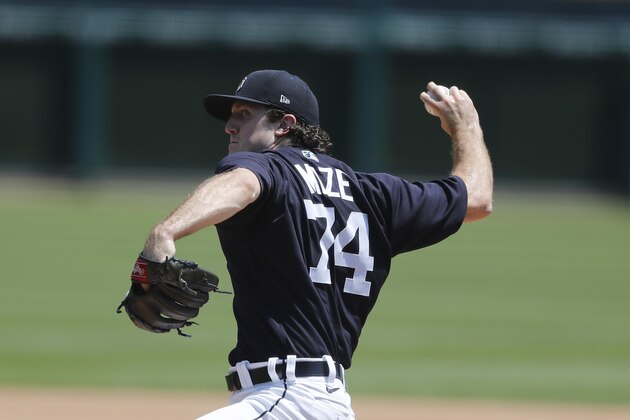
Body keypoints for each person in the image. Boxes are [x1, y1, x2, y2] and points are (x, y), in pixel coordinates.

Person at [139, 69, 493, 419]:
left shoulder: (266, 167)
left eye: (245, 115)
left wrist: (165, 232)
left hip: (286, 399)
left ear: (285, 124)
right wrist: (467, 127)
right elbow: (476, 199)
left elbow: (243, 184)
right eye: (232, 116)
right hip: (321, 401)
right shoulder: (376, 195)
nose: (230, 126)